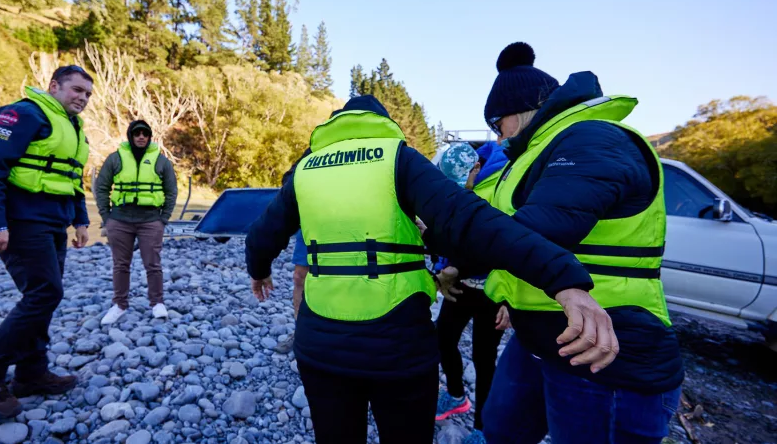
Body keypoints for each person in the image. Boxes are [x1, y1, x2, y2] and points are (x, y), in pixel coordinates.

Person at [245, 95, 619, 444]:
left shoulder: (306, 169)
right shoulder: (398, 159)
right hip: (397, 348)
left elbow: (262, 235)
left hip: (320, 347)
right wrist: (561, 278)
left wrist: (258, 269)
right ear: (383, 124)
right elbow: (471, 221)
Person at [475, 43, 684, 444]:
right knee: (501, 430)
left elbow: (534, 231)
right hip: (540, 332)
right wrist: (464, 270)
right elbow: (504, 227)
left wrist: (445, 244)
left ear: (515, 114)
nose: (497, 136)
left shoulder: (593, 138)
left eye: (497, 124)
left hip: (604, 346)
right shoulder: (532, 156)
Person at [0, 65, 94, 420]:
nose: (82, 98)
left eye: (87, 94)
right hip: (22, 222)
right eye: (76, 90)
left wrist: (80, 220)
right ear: (54, 86)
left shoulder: (72, 126)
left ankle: (31, 373)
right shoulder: (21, 115)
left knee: (43, 296)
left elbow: (70, 177)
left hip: (53, 221)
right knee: (44, 293)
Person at [434, 142, 510, 443]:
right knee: (442, 338)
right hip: (461, 285)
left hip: (491, 290)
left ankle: (482, 427)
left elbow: (504, 245)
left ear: (476, 169)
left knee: (483, 356)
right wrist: (442, 264)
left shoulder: (503, 183)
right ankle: (455, 395)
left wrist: (510, 298)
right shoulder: (462, 188)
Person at [95, 120, 178, 325]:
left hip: (151, 221)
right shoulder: (115, 159)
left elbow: (171, 191)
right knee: (121, 264)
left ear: (150, 137)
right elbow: (102, 188)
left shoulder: (161, 161)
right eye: (137, 133)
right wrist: (107, 218)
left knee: (153, 264)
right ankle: (119, 305)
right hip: (120, 220)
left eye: (145, 133)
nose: (141, 137)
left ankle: (157, 303)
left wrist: (163, 219)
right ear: (130, 136)